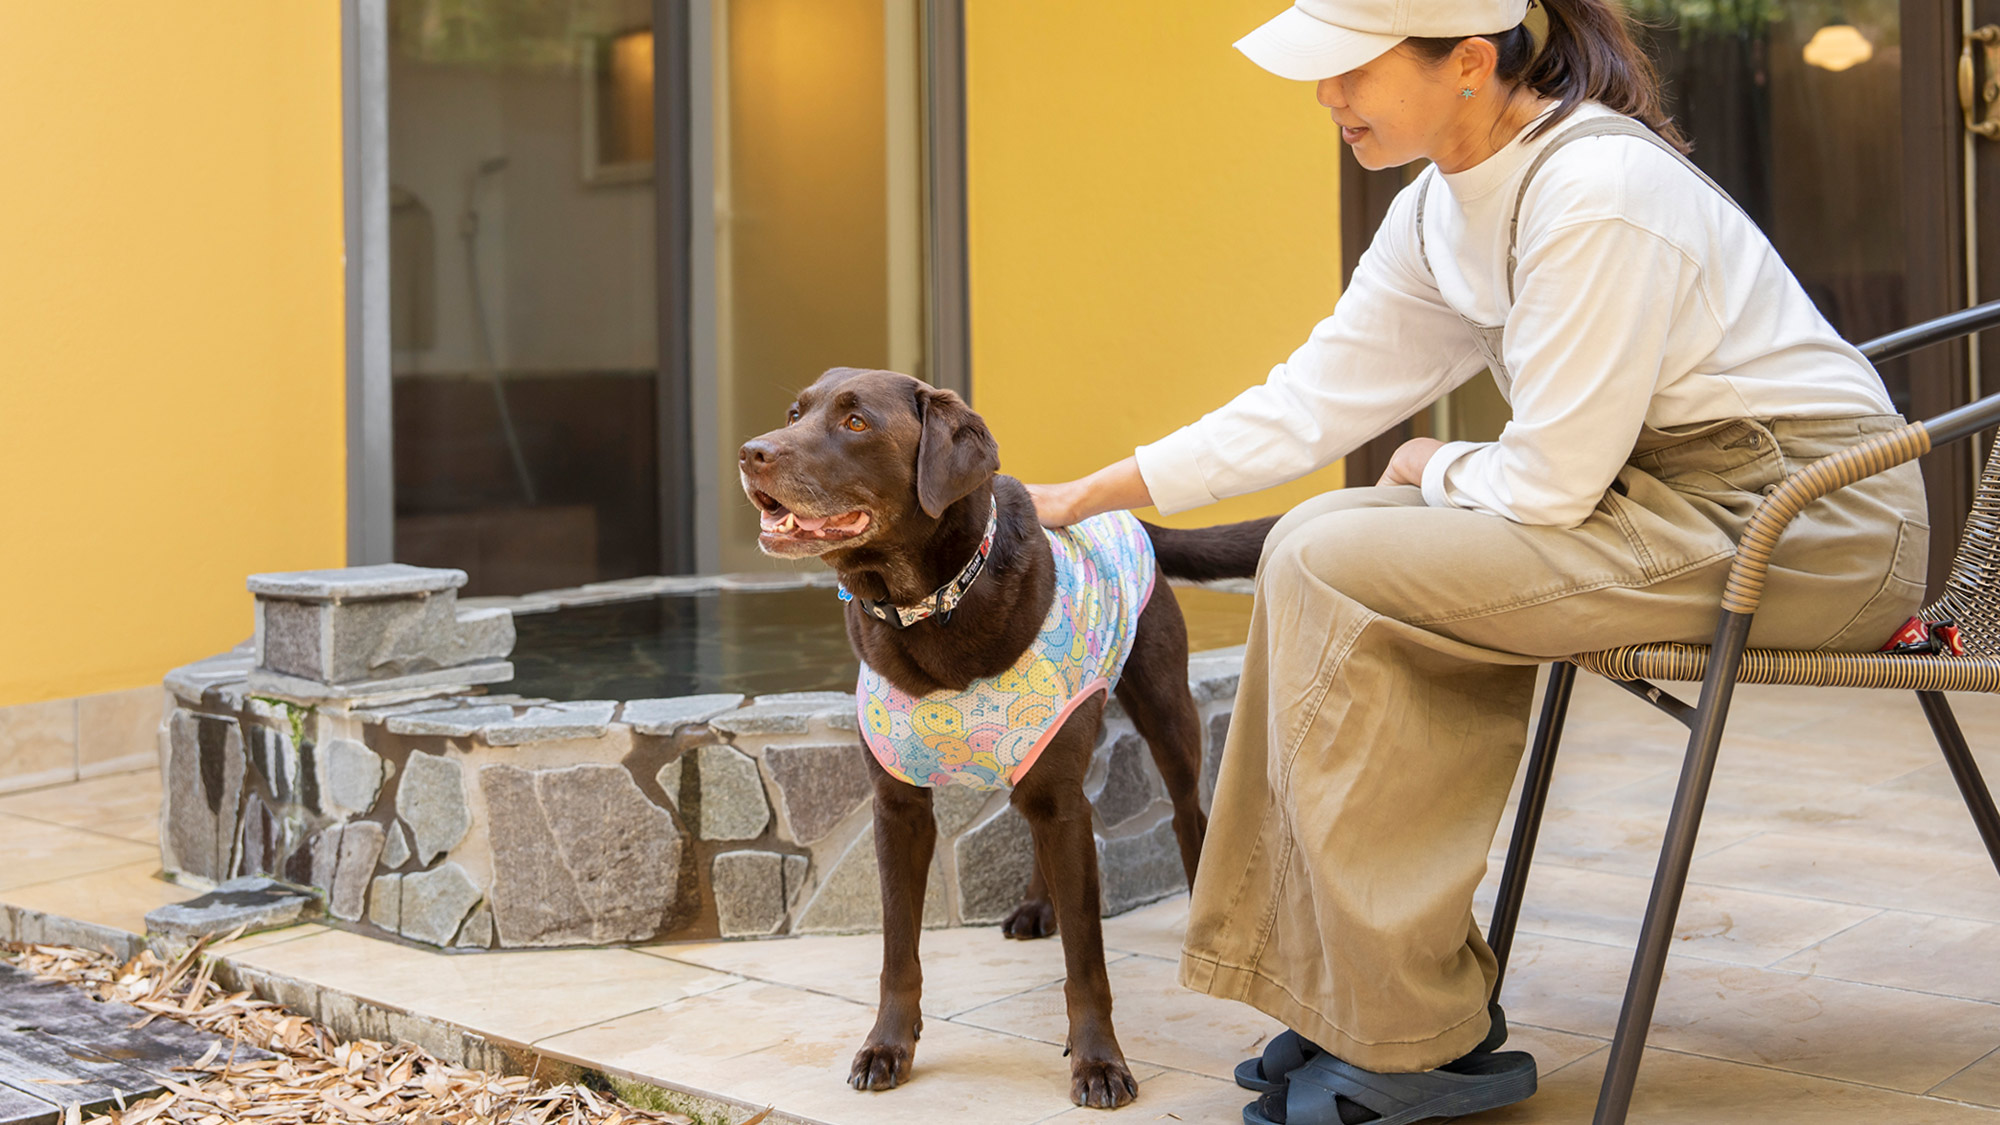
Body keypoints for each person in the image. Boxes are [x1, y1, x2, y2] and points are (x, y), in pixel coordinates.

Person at [1023, 0, 1928, 1121]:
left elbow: (1546, 483)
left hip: (1802, 525)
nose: (1325, 98)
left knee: (1338, 556)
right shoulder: (1438, 210)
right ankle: (1378, 1003)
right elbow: (1308, 401)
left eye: (1350, 70)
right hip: (1660, 504)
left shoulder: (1595, 190)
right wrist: (1084, 493)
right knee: (1317, 541)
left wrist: (1431, 463)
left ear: (1464, 64)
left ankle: (1396, 1026)